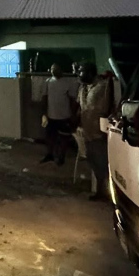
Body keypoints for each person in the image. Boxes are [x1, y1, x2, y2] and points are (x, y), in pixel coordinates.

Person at [77, 62, 114, 201]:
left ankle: (110, 195)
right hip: (87, 131)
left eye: (81, 71)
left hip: (99, 132)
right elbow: (80, 107)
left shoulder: (103, 86)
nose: (79, 74)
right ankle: (100, 192)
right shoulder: (83, 88)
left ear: (90, 73)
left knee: (103, 164)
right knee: (94, 163)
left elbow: (109, 107)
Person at [40, 63, 79, 165]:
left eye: (56, 69)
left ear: (61, 70)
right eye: (52, 69)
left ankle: (61, 157)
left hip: (64, 116)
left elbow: (72, 99)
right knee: (50, 136)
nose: (54, 71)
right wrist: (44, 113)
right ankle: (50, 154)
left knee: (64, 138)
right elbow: (44, 97)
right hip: (51, 115)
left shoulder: (67, 83)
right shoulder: (48, 82)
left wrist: (73, 114)